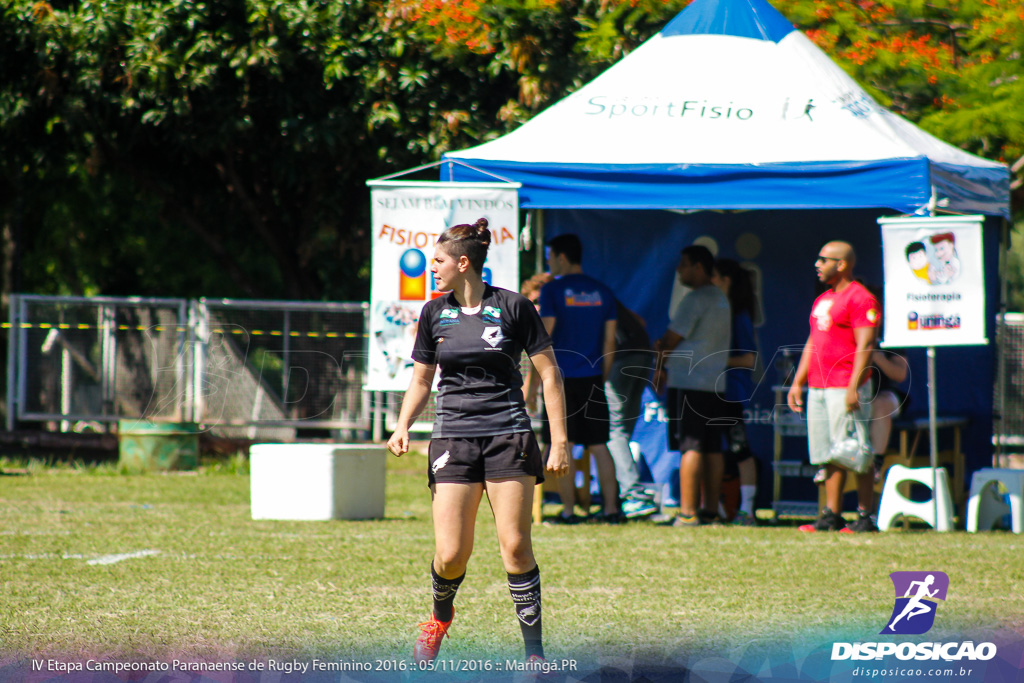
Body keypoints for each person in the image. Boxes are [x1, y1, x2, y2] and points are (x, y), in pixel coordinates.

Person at [386, 218, 570, 667]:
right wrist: (403, 423)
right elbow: (423, 379)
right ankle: (437, 621)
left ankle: (534, 657)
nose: (433, 268)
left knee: (515, 547)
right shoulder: (434, 313)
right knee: (450, 555)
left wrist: (560, 441)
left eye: (439, 261)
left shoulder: (513, 306)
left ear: (463, 263)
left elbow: (549, 373)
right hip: (453, 438)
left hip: (508, 435)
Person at [787, 241, 880, 533]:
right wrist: (798, 381)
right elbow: (813, 341)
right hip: (819, 386)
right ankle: (831, 515)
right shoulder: (823, 299)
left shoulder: (861, 298)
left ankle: (865, 517)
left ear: (841, 264)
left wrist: (854, 385)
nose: (817, 264)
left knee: (855, 450)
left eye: (823, 259)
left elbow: (866, 344)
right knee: (828, 453)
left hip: (845, 386)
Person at [538, 234, 622, 524]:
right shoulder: (603, 291)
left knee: (562, 444)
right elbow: (609, 343)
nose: (549, 262)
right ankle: (612, 510)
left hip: (559, 381)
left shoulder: (552, 291)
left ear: (562, 257)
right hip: (593, 377)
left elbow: (543, 337)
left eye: (550, 257)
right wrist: (601, 376)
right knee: (600, 445)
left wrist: (535, 380)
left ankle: (569, 511)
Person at [654, 245, 732, 527]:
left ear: (698, 267)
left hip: (688, 383)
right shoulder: (721, 298)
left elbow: (670, 339)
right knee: (712, 447)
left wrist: (658, 367)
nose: (679, 270)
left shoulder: (695, 299)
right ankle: (710, 511)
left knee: (691, 447)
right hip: (715, 383)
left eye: (683, 264)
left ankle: (687, 513)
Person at [711, 258, 760, 526]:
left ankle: (747, 511)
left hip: (730, 394)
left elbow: (749, 360)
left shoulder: (739, 315)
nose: (709, 282)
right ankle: (715, 509)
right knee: (712, 449)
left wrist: (714, 360)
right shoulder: (714, 310)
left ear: (726, 280)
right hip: (708, 391)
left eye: (714, 276)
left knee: (740, 449)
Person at [606, 300, 659, 518]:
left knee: (613, 431)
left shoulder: (567, 297)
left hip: (623, 358)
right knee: (622, 431)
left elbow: (608, 338)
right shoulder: (601, 294)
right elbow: (640, 321)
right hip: (644, 354)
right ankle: (624, 497)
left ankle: (633, 495)